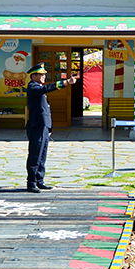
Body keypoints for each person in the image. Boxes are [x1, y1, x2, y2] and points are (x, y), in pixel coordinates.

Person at [25, 63, 78, 193]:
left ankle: (39, 180)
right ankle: (31, 182)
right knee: (35, 155)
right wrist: (65, 82)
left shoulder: (38, 86)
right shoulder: (33, 87)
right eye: (41, 74)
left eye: (44, 74)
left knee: (42, 155)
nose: (44, 76)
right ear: (34, 76)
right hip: (36, 125)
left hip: (43, 125)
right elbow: (47, 88)